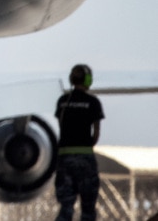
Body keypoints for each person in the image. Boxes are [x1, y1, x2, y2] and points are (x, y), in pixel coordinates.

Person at [53, 63, 105, 221]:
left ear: (72, 79)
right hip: (85, 157)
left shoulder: (63, 101)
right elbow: (96, 133)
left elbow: (61, 126)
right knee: (88, 207)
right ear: (88, 80)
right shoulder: (93, 102)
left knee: (66, 206)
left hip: (64, 158)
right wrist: (87, 146)